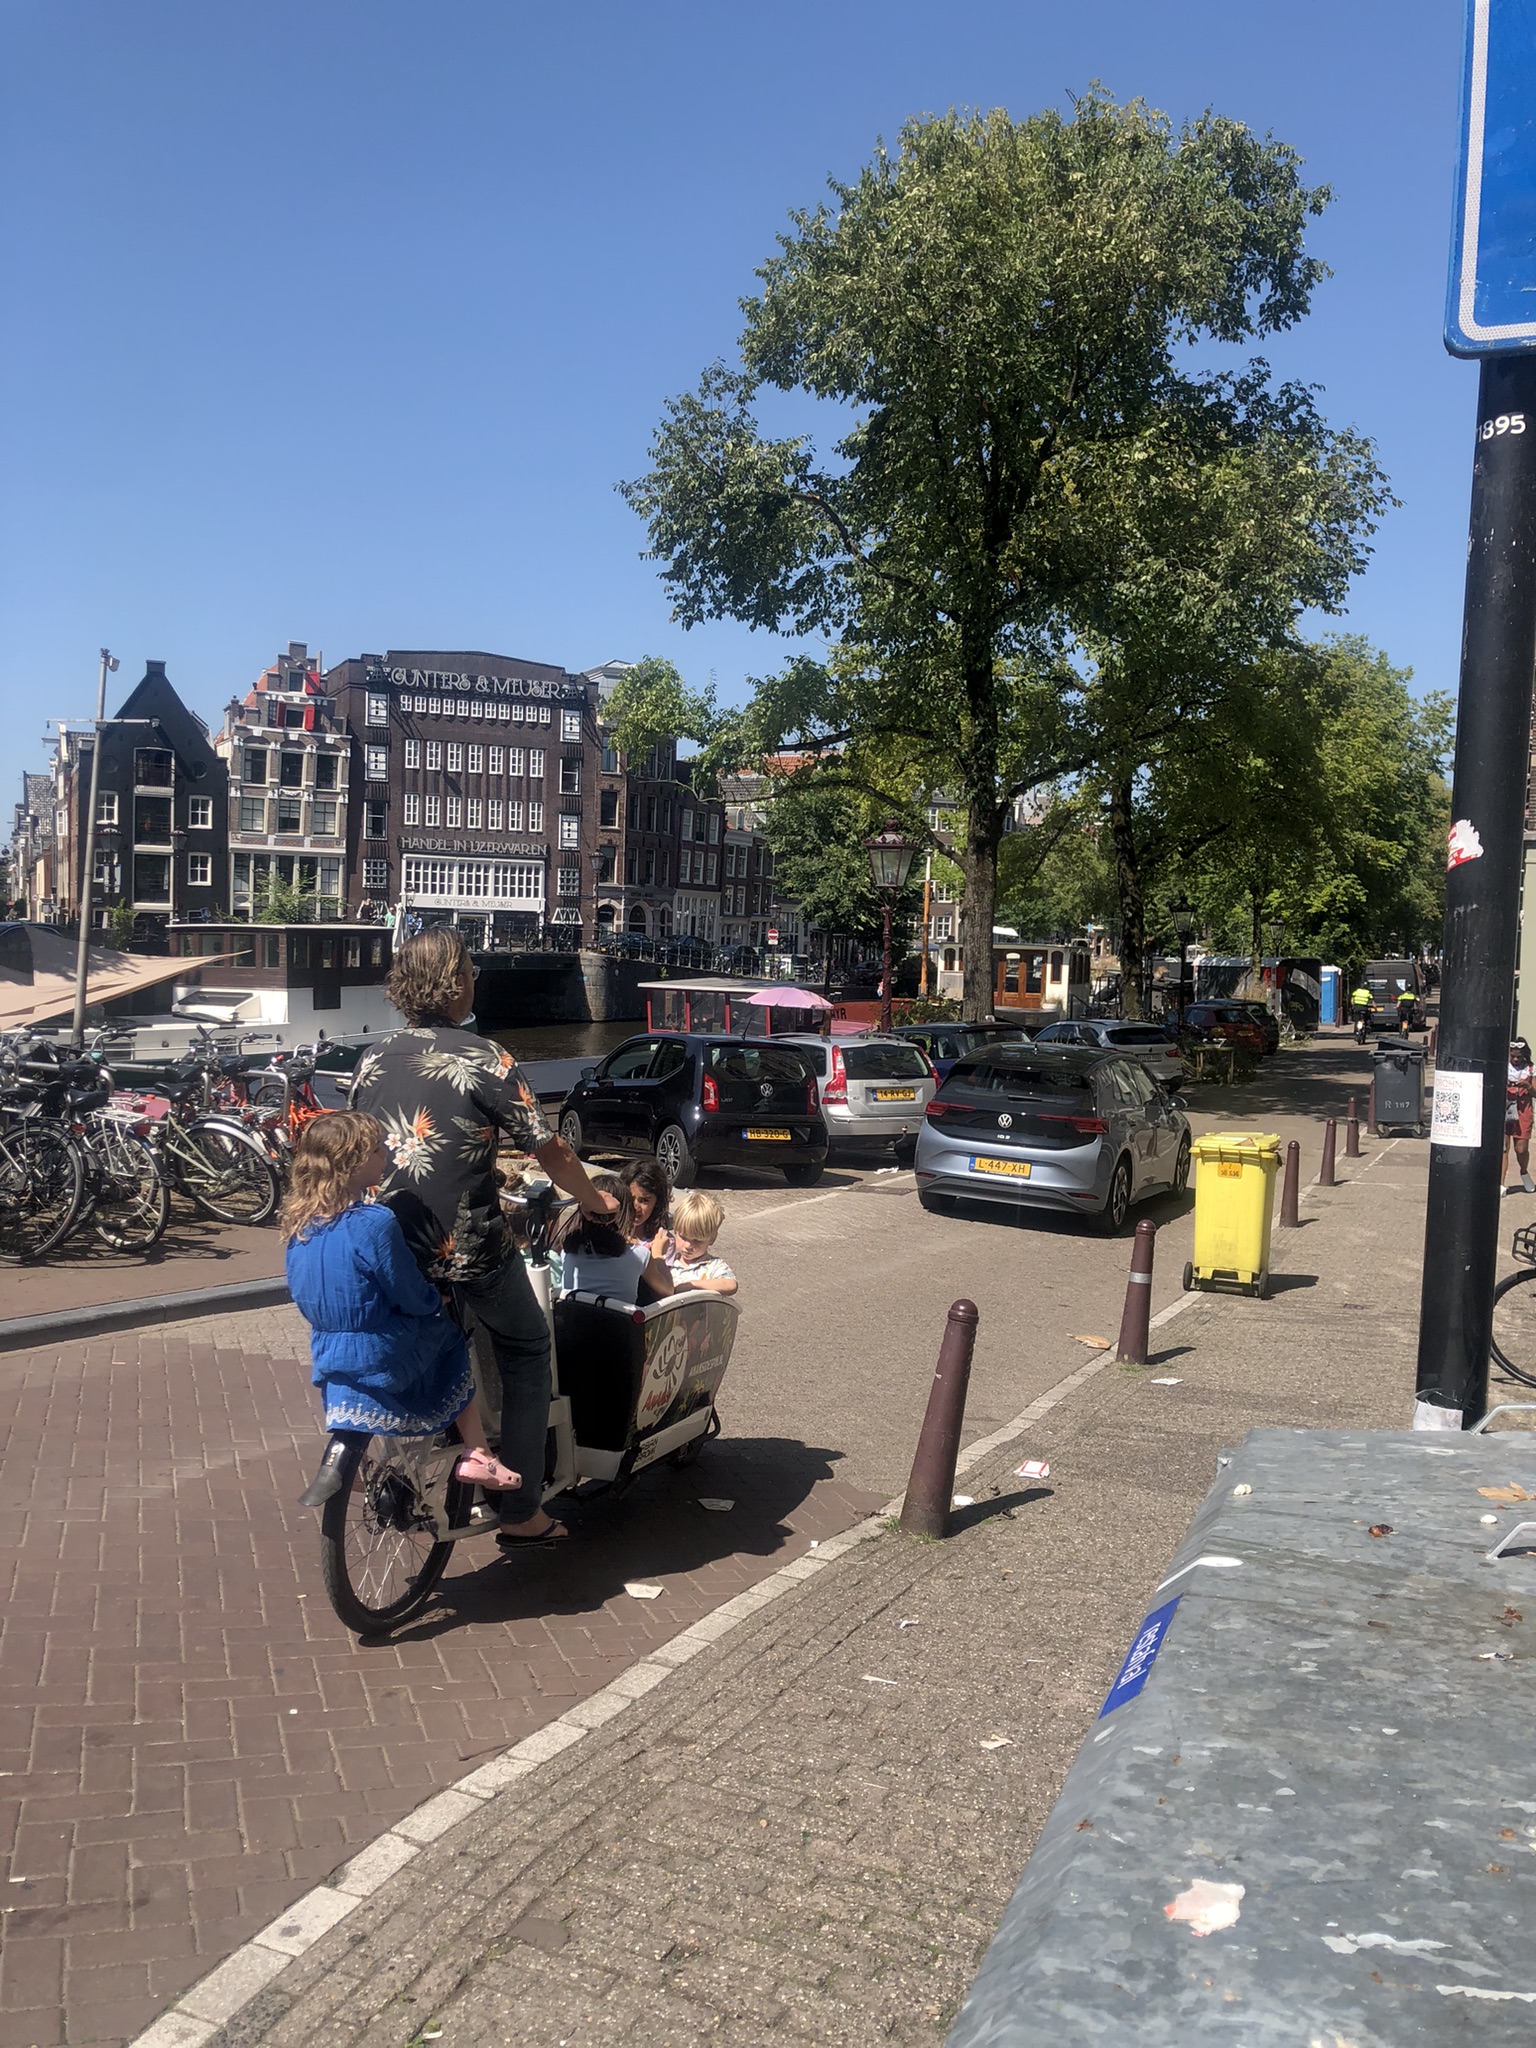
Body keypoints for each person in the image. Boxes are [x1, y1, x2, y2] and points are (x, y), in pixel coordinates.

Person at [350, 927, 617, 1546]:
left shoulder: (373, 1057)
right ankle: (523, 1511)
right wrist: (595, 1199)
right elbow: (548, 1148)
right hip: (465, 1250)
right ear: (454, 981)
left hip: (390, 1246)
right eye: (470, 968)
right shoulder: (484, 1058)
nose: (477, 977)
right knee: (526, 1349)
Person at [281, 1111, 519, 1492]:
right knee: (452, 1338)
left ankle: (349, 1461)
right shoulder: (374, 1223)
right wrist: (434, 1299)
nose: (385, 1156)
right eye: (377, 1149)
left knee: (356, 1360)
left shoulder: (299, 1227)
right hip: (382, 1352)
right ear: (355, 1162)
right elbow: (408, 1292)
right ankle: (478, 1452)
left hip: (328, 1350)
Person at [560, 1171, 675, 1304]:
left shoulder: (567, 1254)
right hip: (619, 1325)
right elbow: (668, 1290)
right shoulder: (639, 1257)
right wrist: (658, 1255)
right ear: (624, 1215)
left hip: (573, 1324)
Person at [665, 1190, 739, 1296]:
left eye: (697, 1240)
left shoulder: (713, 1266)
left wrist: (693, 1285)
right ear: (676, 1231)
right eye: (683, 1237)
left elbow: (730, 1285)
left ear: (712, 1239)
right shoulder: (669, 1263)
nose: (688, 1246)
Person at [1504, 1039, 1536, 1197]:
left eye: (1519, 1056)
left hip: (1523, 1110)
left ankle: (1524, 1172)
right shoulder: (1503, 1066)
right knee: (1503, 1147)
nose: (1515, 1059)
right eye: (1513, 1056)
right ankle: (1501, 1184)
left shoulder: (1531, 1069)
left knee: (1521, 1148)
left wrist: (1528, 1087)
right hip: (1505, 1108)